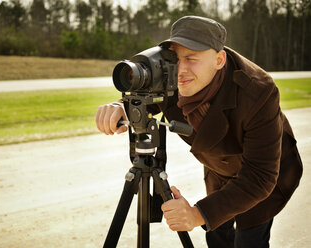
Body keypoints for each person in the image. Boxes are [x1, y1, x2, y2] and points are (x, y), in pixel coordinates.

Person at [95, 16, 303, 248]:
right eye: (176, 58)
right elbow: (151, 101)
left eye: (191, 58)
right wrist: (120, 106)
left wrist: (197, 214)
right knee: (216, 234)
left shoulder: (258, 91)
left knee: (249, 238)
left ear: (219, 60)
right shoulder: (171, 74)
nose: (181, 69)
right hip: (218, 168)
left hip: (264, 173)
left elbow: (260, 176)